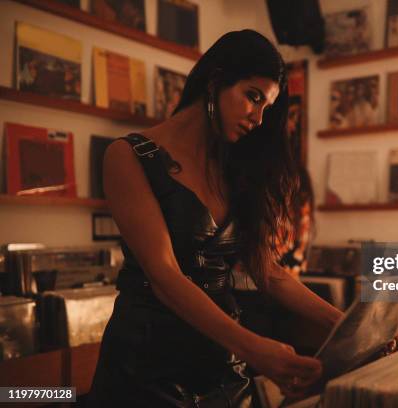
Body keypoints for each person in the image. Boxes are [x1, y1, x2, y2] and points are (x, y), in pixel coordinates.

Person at [88, 29, 344, 407]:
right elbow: (164, 275)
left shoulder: (233, 167)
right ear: (216, 80)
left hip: (222, 366)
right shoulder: (127, 156)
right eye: (252, 97)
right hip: (147, 366)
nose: (258, 118)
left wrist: (343, 323)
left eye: (266, 108)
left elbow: (266, 270)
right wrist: (255, 348)